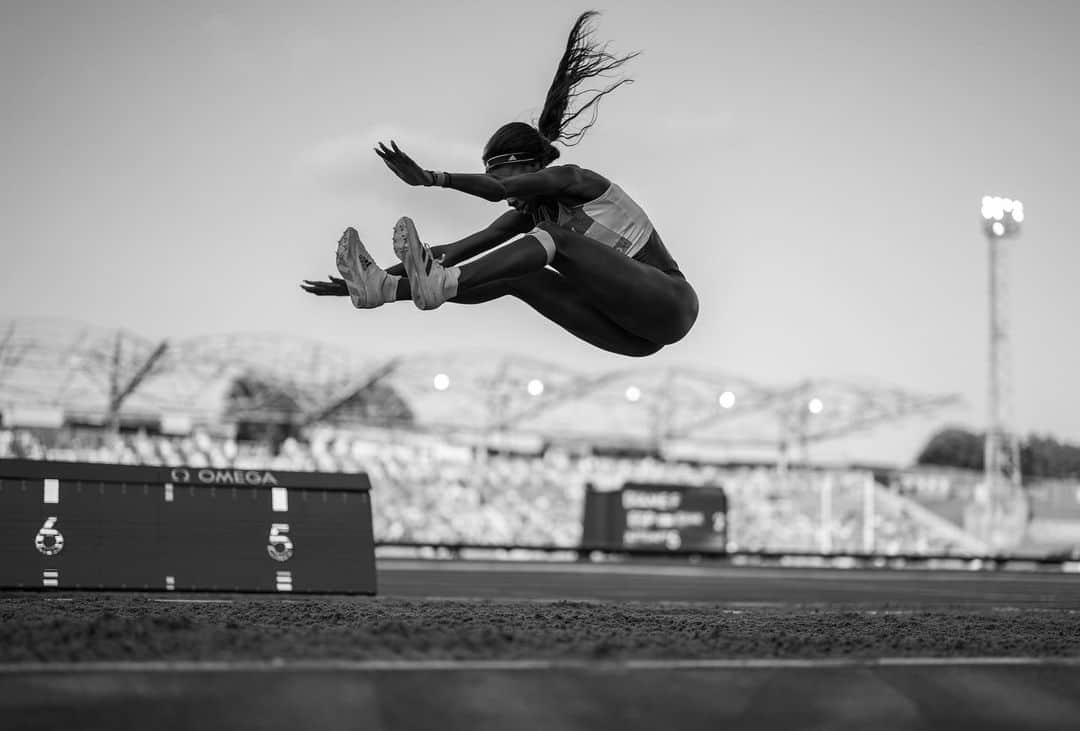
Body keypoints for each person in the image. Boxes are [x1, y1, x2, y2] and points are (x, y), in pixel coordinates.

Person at [302, 11, 698, 357]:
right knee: (516, 274)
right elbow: (449, 252)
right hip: (633, 336)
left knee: (551, 239)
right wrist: (371, 281)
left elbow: (500, 191)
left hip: (671, 304)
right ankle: (383, 291)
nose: (500, 194)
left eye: (499, 174)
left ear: (528, 167)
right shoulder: (531, 219)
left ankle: (433, 286)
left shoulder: (575, 180)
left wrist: (433, 179)